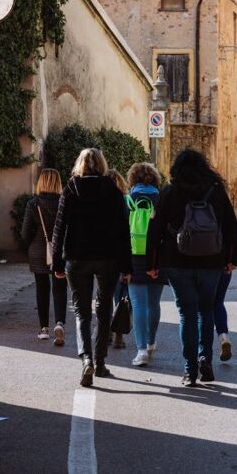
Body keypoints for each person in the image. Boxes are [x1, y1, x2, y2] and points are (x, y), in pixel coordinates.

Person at [146, 148, 237, 387]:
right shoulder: (216, 192)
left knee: (186, 313)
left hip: (177, 263)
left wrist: (152, 264)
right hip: (212, 261)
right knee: (205, 311)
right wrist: (231, 258)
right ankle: (205, 359)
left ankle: (190, 370)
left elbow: (154, 230)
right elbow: (230, 225)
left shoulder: (170, 192)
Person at [51, 148, 132, 388]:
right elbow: (122, 232)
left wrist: (56, 261)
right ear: (102, 164)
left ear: (80, 165)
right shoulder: (113, 191)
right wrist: (126, 265)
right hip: (108, 258)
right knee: (104, 308)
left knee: (81, 312)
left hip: (77, 259)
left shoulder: (70, 190)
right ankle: (100, 361)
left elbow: (59, 228)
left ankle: (86, 359)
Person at [21, 168, 67, 346]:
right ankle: (60, 323)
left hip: (38, 251)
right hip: (60, 251)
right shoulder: (64, 202)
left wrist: (33, 243)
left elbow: (25, 233)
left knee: (42, 288)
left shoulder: (33, 204)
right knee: (60, 287)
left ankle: (44, 329)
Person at [126, 162, 164, 367]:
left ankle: (141, 350)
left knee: (138, 304)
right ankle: (151, 343)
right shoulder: (161, 199)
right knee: (153, 303)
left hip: (134, 256)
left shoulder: (128, 200)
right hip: (157, 255)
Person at [106, 168, 130, 350]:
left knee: (104, 295)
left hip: (105, 256)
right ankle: (118, 336)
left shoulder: (100, 203)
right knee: (122, 297)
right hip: (122, 254)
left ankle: (105, 332)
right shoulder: (127, 202)